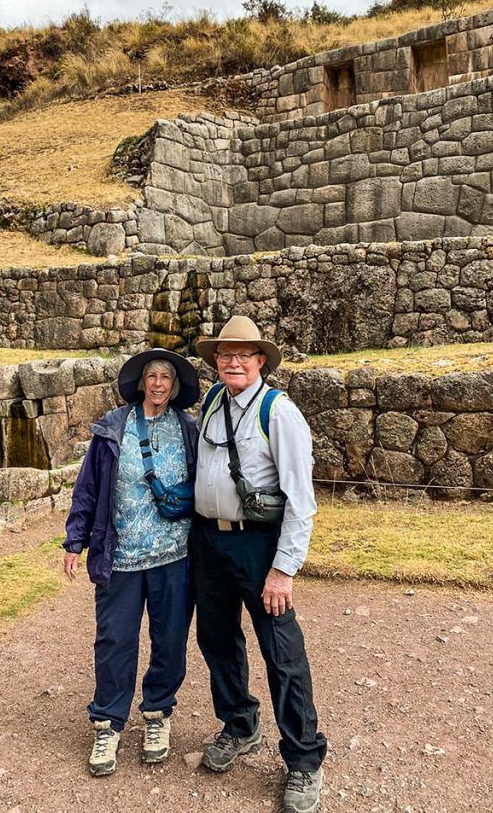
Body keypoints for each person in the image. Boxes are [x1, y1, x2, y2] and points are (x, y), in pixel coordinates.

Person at [191, 315, 327, 813]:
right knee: (217, 639)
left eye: (243, 354)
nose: (232, 361)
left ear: (261, 362)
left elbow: (302, 500)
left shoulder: (279, 413)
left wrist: (284, 568)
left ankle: (304, 760)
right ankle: (239, 724)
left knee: (281, 652)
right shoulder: (211, 402)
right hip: (209, 541)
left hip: (259, 546)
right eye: (225, 354)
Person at [62, 348, 199, 777]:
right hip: (120, 558)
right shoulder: (113, 429)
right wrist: (74, 541)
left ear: (175, 386)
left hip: (175, 557)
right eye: (151, 376)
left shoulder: (190, 429)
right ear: (141, 382)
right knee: (115, 641)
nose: (158, 383)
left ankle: (157, 714)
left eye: (166, 377)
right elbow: (88, 488)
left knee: (170, 641)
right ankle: (108, 722)